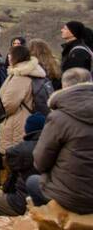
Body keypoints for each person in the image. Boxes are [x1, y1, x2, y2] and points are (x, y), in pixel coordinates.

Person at [27, 68, 93, 214]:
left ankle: (52, 221)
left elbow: (40, 161)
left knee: (33, 181)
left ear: (64, 87)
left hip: (74, 198)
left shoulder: (59, 117)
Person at [0, 113, 45, 221]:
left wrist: (5, 189)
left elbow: (11, 176)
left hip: (23, 201)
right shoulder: (56, 146)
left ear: (27, 129)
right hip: (52, 198)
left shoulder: (18, 150)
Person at [0, 46, 47, 154]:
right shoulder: (35, 72)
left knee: (14, 156)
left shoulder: (20, 76)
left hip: (17, 123)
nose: (8, 57)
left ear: (16, 57)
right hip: (31, 117)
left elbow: (9, 104)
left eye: (10, 54)